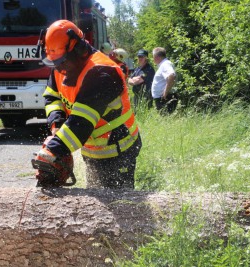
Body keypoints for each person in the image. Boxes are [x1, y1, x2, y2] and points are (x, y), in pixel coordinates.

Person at [33, 20, 142, 189]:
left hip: (119, 149)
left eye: (61, 61)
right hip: (92, 149)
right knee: (94, 200)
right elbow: (52, 97)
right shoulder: (59, 68)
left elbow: (81, 122)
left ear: (78, 50)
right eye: (54, 62)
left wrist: (54, 149)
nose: (58, 67)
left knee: (120, 205)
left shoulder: (103, 73)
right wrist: (57, 126)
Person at [151, 47, 178, 114]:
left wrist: (165, 92)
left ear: (156, 57)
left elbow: (171, 75)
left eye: (153, 56)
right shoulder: (163, 65)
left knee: (165, 119)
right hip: (163, 98)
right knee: (165, 119)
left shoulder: (165, 64)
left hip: (165, 98)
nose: (153, 59)